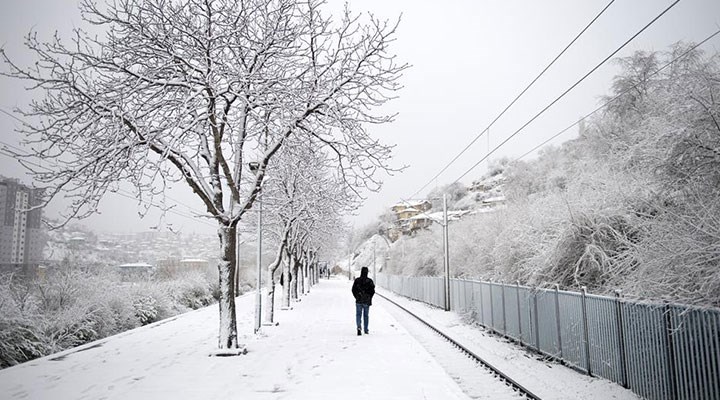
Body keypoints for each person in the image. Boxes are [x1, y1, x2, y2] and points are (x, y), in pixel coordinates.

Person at [351, 266, 375, 336]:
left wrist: (357, 297)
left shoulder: (357, 280)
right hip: (366, 301)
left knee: (358, 314)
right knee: (366, 315)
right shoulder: (370, 281)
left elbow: (353, 290)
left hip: (359, 300)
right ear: (367, 272)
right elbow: (372, 291)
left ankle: (359, 326)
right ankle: (366, 329)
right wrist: (369, 297)